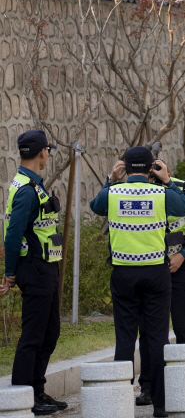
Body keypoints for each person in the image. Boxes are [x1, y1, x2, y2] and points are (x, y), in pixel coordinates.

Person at [90, 146, 185, 418]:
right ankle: (160, 404)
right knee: (158, 338)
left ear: (124, 167)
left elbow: (95, 205)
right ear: (150, 168)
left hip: (123, 273)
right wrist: (168, 180)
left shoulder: (112, 193)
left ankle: (120, 403)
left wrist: (110, 179)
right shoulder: (162, 194)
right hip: (156, 274)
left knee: (125, 338)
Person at [0, 130, 66, 416]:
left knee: (50, 333)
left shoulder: (31, 185)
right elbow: (13, 235)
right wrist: (10, 273)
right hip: (36, 269)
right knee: (33, 336)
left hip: (45, 267)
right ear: (42, 153)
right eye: (48, 150)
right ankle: (23, 395)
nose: (48, 154)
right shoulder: (27, 190)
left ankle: (37, 390)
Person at [136, 163, 185, 407]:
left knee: (182, 324)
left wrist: (184, 254)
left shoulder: (184, 190)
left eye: (156, 171)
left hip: (179, 266)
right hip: (148, 268)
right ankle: (148, 386)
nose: (153, 176)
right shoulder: (137, 190)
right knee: (148, 330)